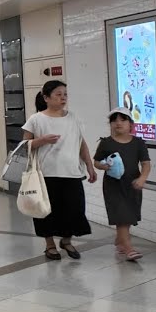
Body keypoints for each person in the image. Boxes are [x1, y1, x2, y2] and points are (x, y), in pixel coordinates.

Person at [22, 80, 97, 260]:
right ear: (46, 98)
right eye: (58, 94)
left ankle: (66, 240)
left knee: (74, 210)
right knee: (46, 211)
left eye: (65, 94)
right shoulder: (36, 119)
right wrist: (43, 140)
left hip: (71, 172)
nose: (63, 98)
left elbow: (81, 143)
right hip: (46, 174)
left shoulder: (73, 117)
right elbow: (24, 146)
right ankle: (49, 245)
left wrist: (89, 165)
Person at [94, 108, 151, 262]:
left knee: (129, 216)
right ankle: (128, 248)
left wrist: (142, 178)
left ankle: (120, 241)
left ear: (130, 124)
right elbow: (97, 162)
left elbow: (146, 163)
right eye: (114, 120)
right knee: (122, 216)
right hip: (113, 186)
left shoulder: (138, 143)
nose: (118, 123)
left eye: (123, 119)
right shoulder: (106, 143)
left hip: (133, 185)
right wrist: (103, 166)